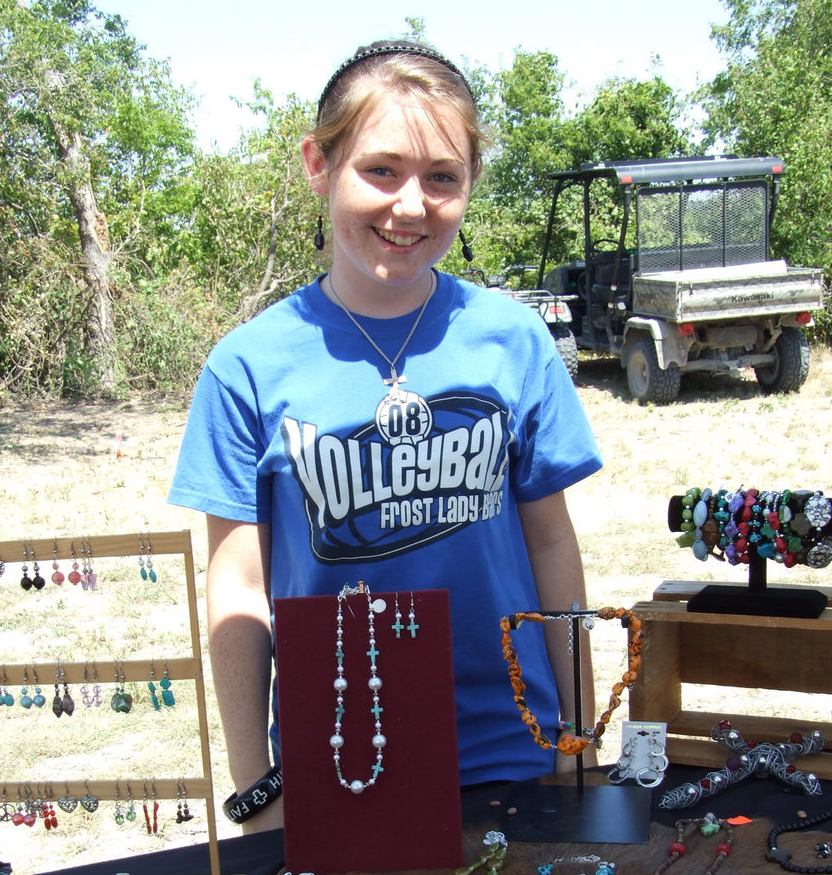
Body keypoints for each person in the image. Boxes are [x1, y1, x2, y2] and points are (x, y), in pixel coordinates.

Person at [168, 40, 603, 833]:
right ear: (318, 164)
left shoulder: (514, 340)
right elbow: (238, 588)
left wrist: (579, 733)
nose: (410, 206)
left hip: (515, 747)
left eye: (442, 178)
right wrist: (257, 786)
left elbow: (550, 544)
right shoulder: (247, 366)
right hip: (339, 757)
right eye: (381, 170)